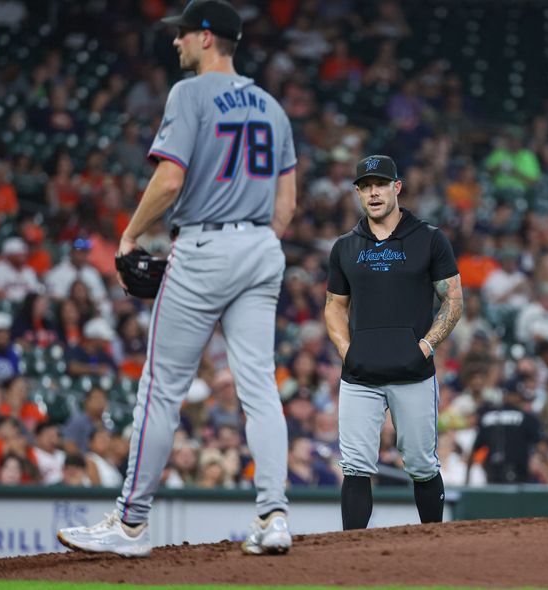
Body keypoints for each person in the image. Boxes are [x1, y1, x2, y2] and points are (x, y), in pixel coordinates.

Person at [57, 0, 297, 557]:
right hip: (262, 245)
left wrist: (130, 235)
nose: (175, 41)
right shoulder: (272, 106)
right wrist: (253, 243)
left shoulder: (189, 94)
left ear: (208, 38)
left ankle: (131, 523)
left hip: (206, 243)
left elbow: (169, 180)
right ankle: (275, 515)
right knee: (260, 388)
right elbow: (286, 204)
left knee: (161, 389)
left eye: (183, 33)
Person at [325, 154, 462, 529]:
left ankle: (432, 543)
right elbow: (334, 306)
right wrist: (345, 349)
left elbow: (453, 299)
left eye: (381, 185)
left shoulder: (430, 239)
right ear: (357, 192)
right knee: (354, 466)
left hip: (414, 371)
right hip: (360, 374)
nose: (374, 193)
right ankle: (353, 554)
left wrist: (426, 345)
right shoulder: (345, 246)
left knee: (420, 463)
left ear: (396, 187)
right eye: (366, 186)